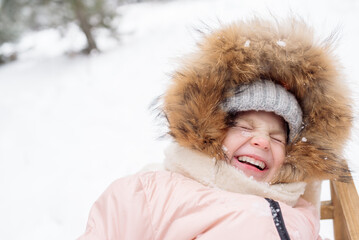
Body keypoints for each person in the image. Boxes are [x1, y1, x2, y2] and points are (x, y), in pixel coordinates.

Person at [78, 18, 353, 240]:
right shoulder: (151, 194)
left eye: (276, 137)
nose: (262, 142)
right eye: (245, 127)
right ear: (213, 133)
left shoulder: (300, 212)